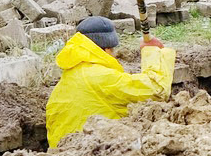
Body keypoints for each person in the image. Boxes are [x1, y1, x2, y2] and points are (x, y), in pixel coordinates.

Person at [46, 16, 177, 147]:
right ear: (107, 49)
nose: (115, 55)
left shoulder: (68, 78)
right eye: (113, 50)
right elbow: (157, 90)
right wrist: (152, 51)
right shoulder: (98, 76)